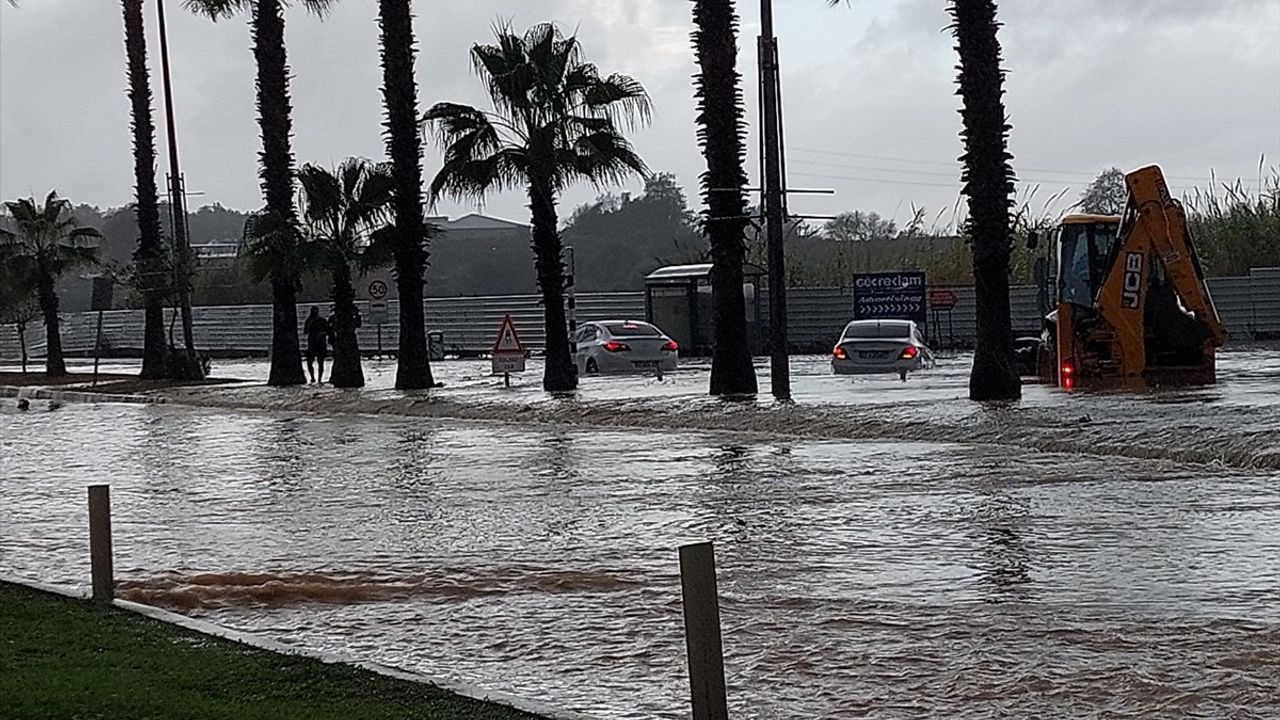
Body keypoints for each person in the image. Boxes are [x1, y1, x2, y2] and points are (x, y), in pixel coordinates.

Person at [303, 306, 331, 384]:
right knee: (310, 362)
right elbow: (306, 331)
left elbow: (327, 331)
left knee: (320, 362)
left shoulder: (322, 321)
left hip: (320, 344)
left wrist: (321, 334)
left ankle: (319, 378)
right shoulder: (309, 321)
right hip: (312, 344)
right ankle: (313, 377)